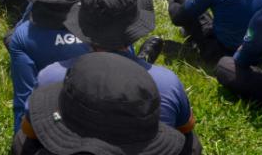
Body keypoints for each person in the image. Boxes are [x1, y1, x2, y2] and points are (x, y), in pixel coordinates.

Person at [33, 0, 202, 153]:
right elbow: (186, 128)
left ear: (82, 28)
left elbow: (32, 131)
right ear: (135, 29)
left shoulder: (50, 76)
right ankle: (140, 59)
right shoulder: (167, 82)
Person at [13, 53, 189, 155]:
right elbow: (189, 138)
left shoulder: (48, 75)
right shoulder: (169, 81)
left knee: (23, 141)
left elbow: (27, 133)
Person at [9, 0, 92, 131]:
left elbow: (24, 99)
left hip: (49, 123)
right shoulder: (100, 30)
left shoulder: (24, 35)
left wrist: (20, 141)